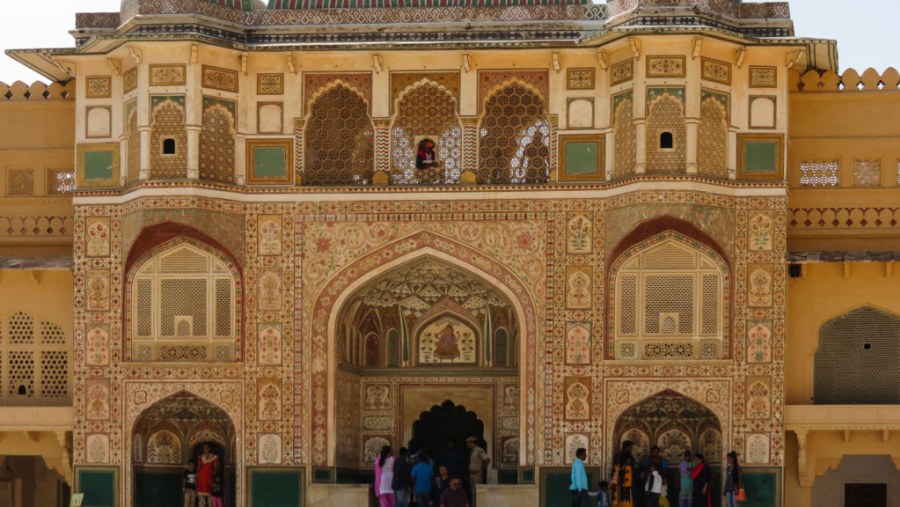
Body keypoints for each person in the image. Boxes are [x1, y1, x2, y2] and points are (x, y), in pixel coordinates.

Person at [610, 441, 635, 507]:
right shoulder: (618, 456)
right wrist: (625, 465)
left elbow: (633, 466)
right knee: (618, 495)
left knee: (627, 497)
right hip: (620, 479)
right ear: (625, 447)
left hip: (628, 480)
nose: (631, 449)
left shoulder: (630, 457)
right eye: (630, 447)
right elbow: (616, 467)